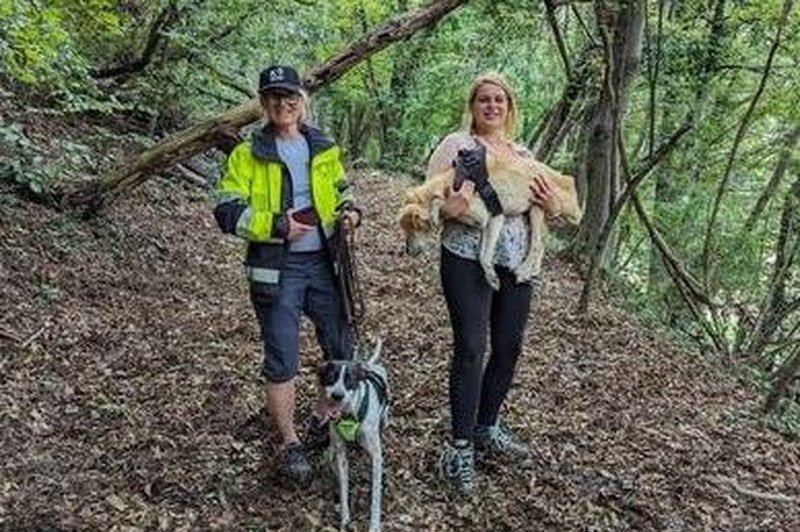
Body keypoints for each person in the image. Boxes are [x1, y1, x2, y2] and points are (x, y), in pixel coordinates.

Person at [426, 73, 577, 495]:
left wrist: (552, 205)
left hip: (518, 264)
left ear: (510, 108)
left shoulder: (524, 153)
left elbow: (557, 211)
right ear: (472, 107)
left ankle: (485, 426)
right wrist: (447, 209)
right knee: (472, 347)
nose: (492, 106)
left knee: (509, 347)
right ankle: (458, 449)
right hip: (466, 258)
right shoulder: (456, 146)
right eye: (484, 100)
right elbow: (425, 198)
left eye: (499, 100)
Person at [213, 65, 361, 485]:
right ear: (263, 103)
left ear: (302, 100)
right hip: (275, 268)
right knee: (282, 355)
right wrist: (277, 225)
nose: (283, 103)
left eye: (290, 95)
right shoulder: (247, 153)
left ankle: (321, 419)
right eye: (274, 96)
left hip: (325, 265)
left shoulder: (323, 146)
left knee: (340, 341)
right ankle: (289, 442)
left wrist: (350, 212)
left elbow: (342, 189)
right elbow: (227, 211)